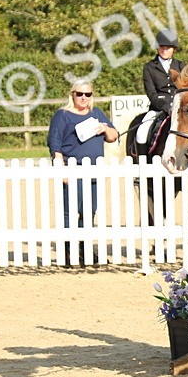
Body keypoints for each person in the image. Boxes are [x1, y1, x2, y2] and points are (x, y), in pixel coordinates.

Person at [47, 80, 119, 265]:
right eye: (80, 94)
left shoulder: (96, 113)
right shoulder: (62, 115)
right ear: (73, 95)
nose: (84, 98)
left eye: (87, 94)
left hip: (94, 169)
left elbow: (113, 137)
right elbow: (55, 140)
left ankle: (84, 247)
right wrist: (59, 165)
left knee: (89, 210)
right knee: (70, 211)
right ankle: (68, 250)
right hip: (73, 167)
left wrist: (105, 128)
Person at [143, 31, 185, 113]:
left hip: (179, 107)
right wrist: (165, 107)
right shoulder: (149, 67)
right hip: (158, 109)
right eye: (162, 47)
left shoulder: (180, 65)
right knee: (145, 125)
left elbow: (185, 88)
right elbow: (151, 93)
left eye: (168, 48)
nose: (164, 50)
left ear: (174, 49)